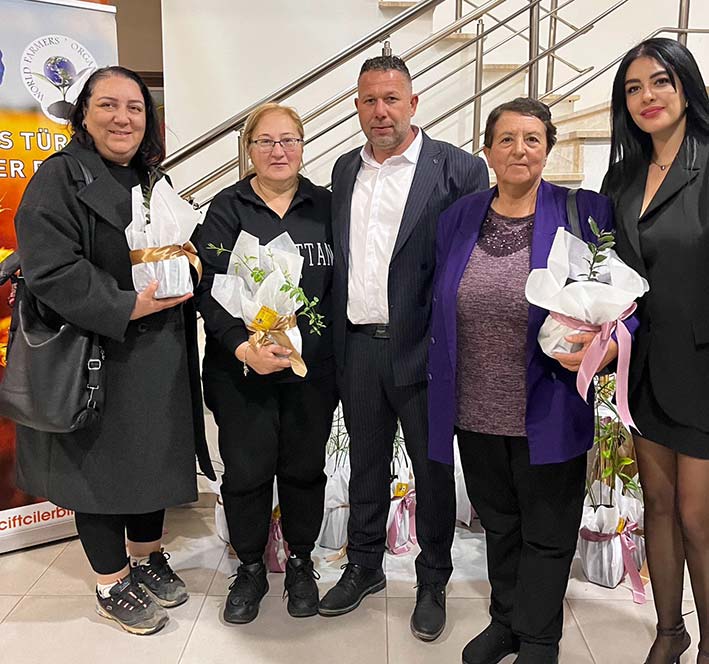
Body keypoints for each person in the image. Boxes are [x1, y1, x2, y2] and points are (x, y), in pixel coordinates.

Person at [13, 66, 215, 635]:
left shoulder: (153, 178)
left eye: (135, 107)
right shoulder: (58, 177)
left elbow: (170, 245)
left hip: (158, 350)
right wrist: (125, 306)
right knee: (99, 471)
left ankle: (147, 556)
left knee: (153, 458)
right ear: (83, 114)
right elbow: (51, 268)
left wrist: (191, 262)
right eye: (108, 105)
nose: (123, 118)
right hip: (95, 348)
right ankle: (111, 581)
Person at [428, 98, 621, 664]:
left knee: (548, 530)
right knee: (500, 524)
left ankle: (538, 639)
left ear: (548, 149)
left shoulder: (583, 212)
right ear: (487, 151)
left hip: (549, 405)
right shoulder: (459, 217)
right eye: (506, 139)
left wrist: (607, 346)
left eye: (532, 139)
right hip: (475, 409)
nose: (519, 150)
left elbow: (623, 299)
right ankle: (506, 622)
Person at [318, 55, 489, 641]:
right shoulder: (345, 169)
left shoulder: (459, 169)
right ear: (356, 107)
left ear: (414, 103)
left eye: (391, 98)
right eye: (369, 100)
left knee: (432, 470)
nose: (380, 111)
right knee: (365, 463)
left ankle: (433, 579)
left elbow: (474, 262)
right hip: (359, 347)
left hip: (426, 350)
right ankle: (364, 565)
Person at [194, 103, 337, 624]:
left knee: (304, 470)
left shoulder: (326, 207)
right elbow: (208, 287)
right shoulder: (226, 208)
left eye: (289, 140)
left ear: (302, 145)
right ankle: (250, 567)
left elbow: (342, 287)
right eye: (266, 141)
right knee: (247, 473)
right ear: (248, 149)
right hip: (241, 371)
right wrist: (242, 346)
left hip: (310, 373)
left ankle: (300, 563)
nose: (279, 151)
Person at [602, 37, 709, 664]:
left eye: (660, 81)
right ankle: (669, 632)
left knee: (698, 518)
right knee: (659, 508)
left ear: (686, 88)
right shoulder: (622, 178)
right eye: (633, 87)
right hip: (642, 369)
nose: (647, 96)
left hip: (703, 368)